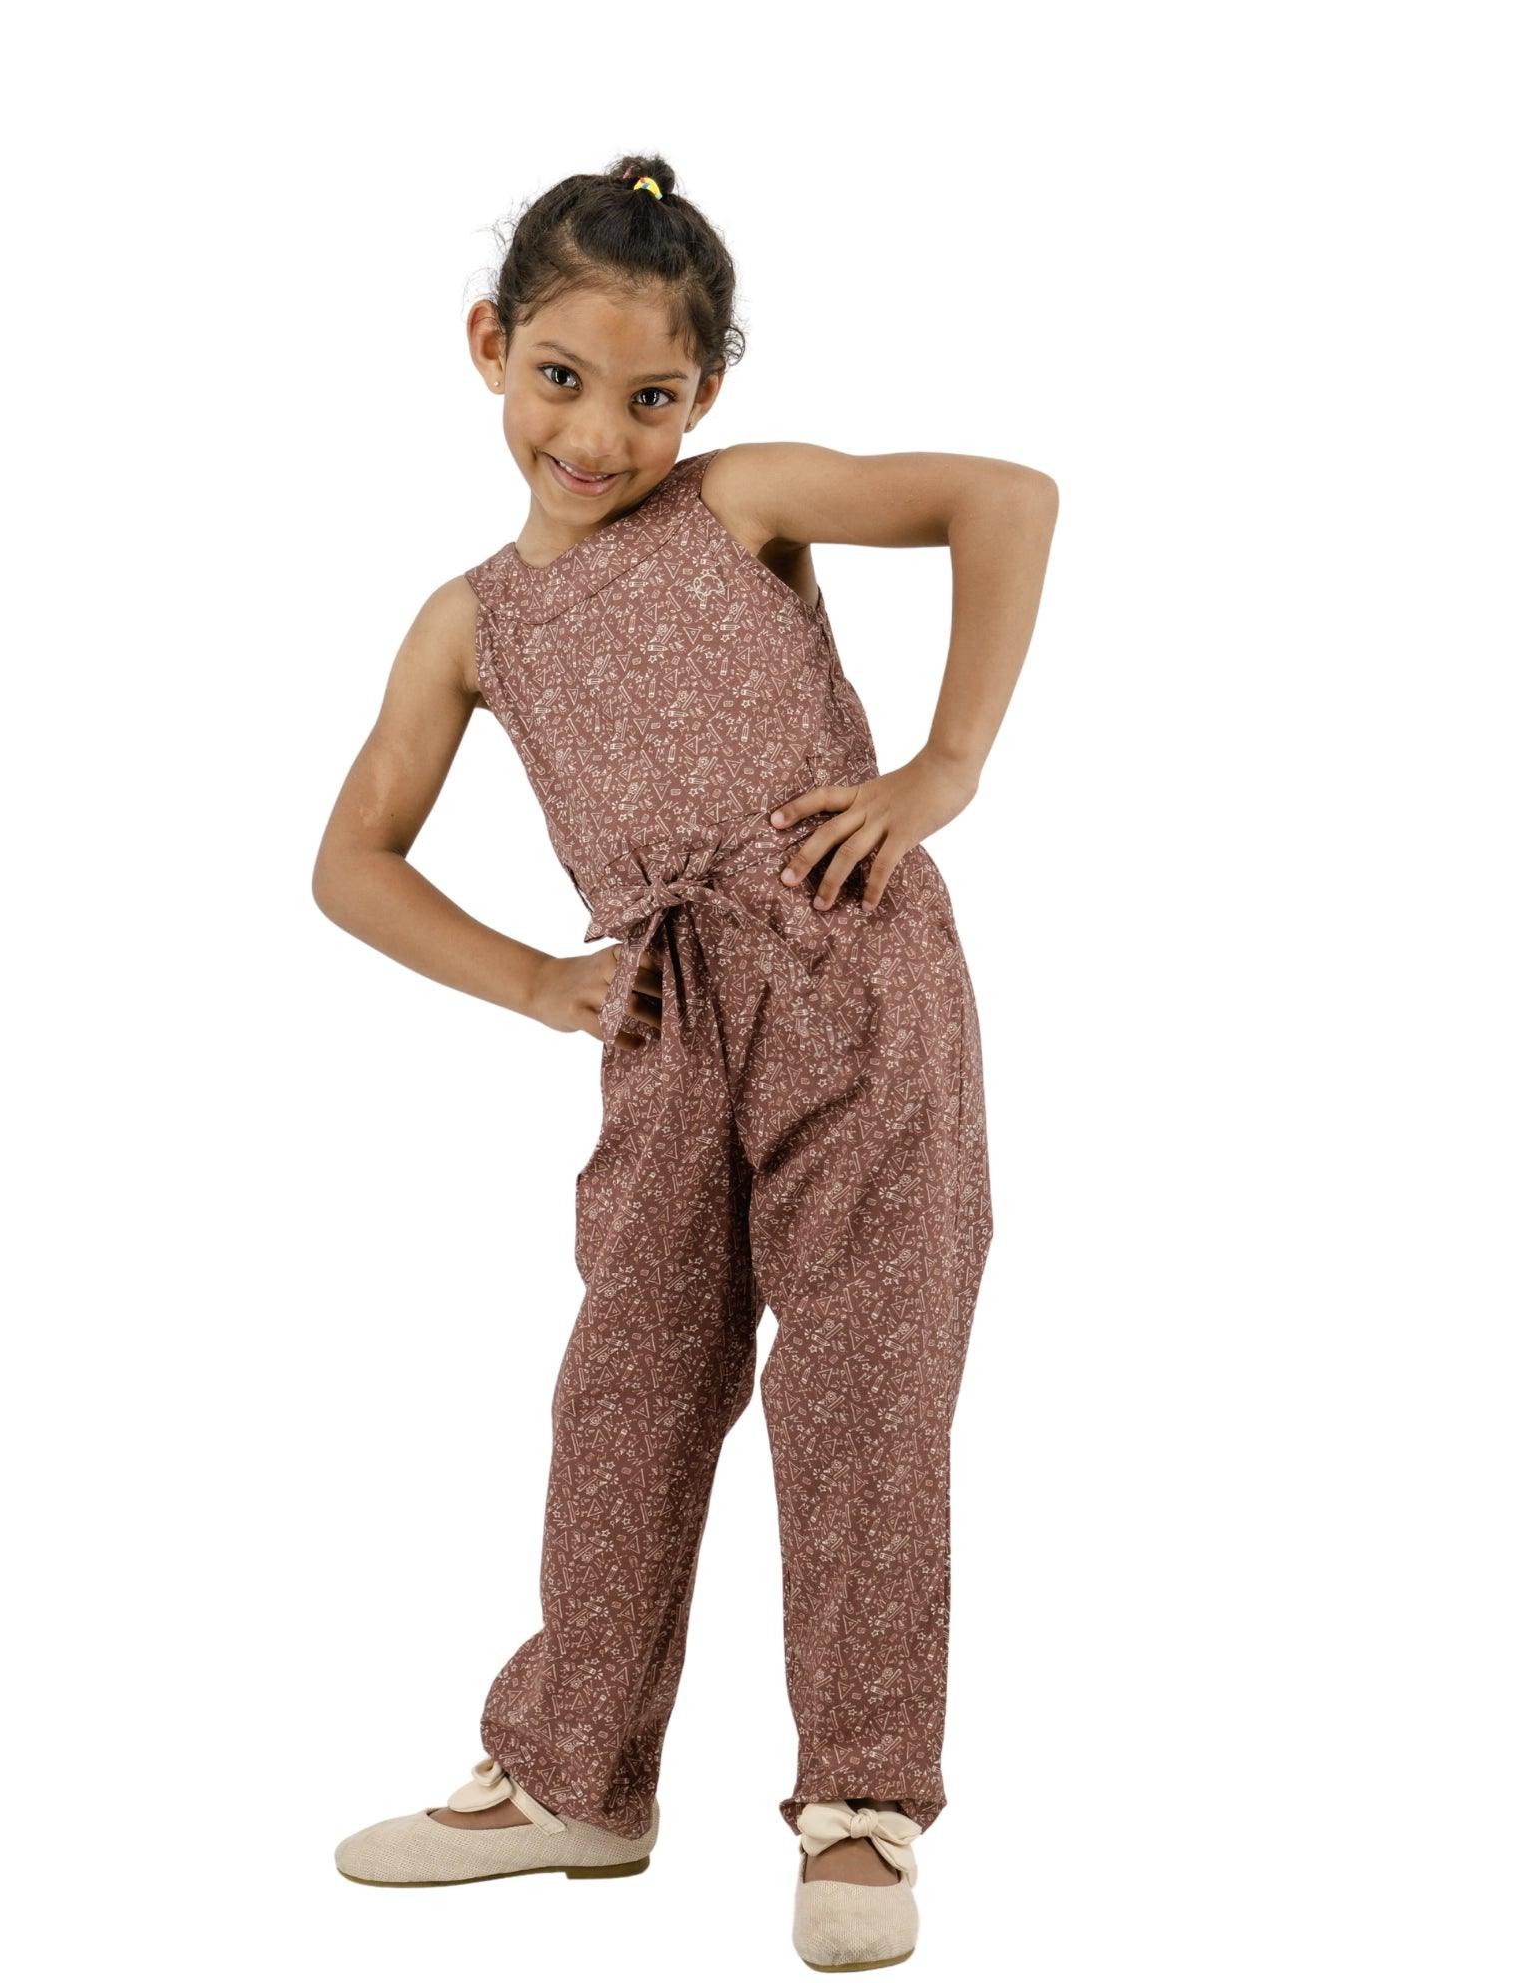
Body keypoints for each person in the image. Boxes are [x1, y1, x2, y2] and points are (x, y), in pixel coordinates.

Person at [312, 153, 1058, 1971]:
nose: (600, 431)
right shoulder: (472, 622)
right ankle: (577, 1774)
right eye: (560, 378)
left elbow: (1003, 496)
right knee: (628, 1379)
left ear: (705, 393)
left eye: (652, 395)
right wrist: (536, 981)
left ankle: (861, 1802)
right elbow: (352, 863)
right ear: (492, 348)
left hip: (850, 974)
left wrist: (941, 770)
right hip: (662, 1022)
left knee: (866, 1377)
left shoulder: (740, 504)